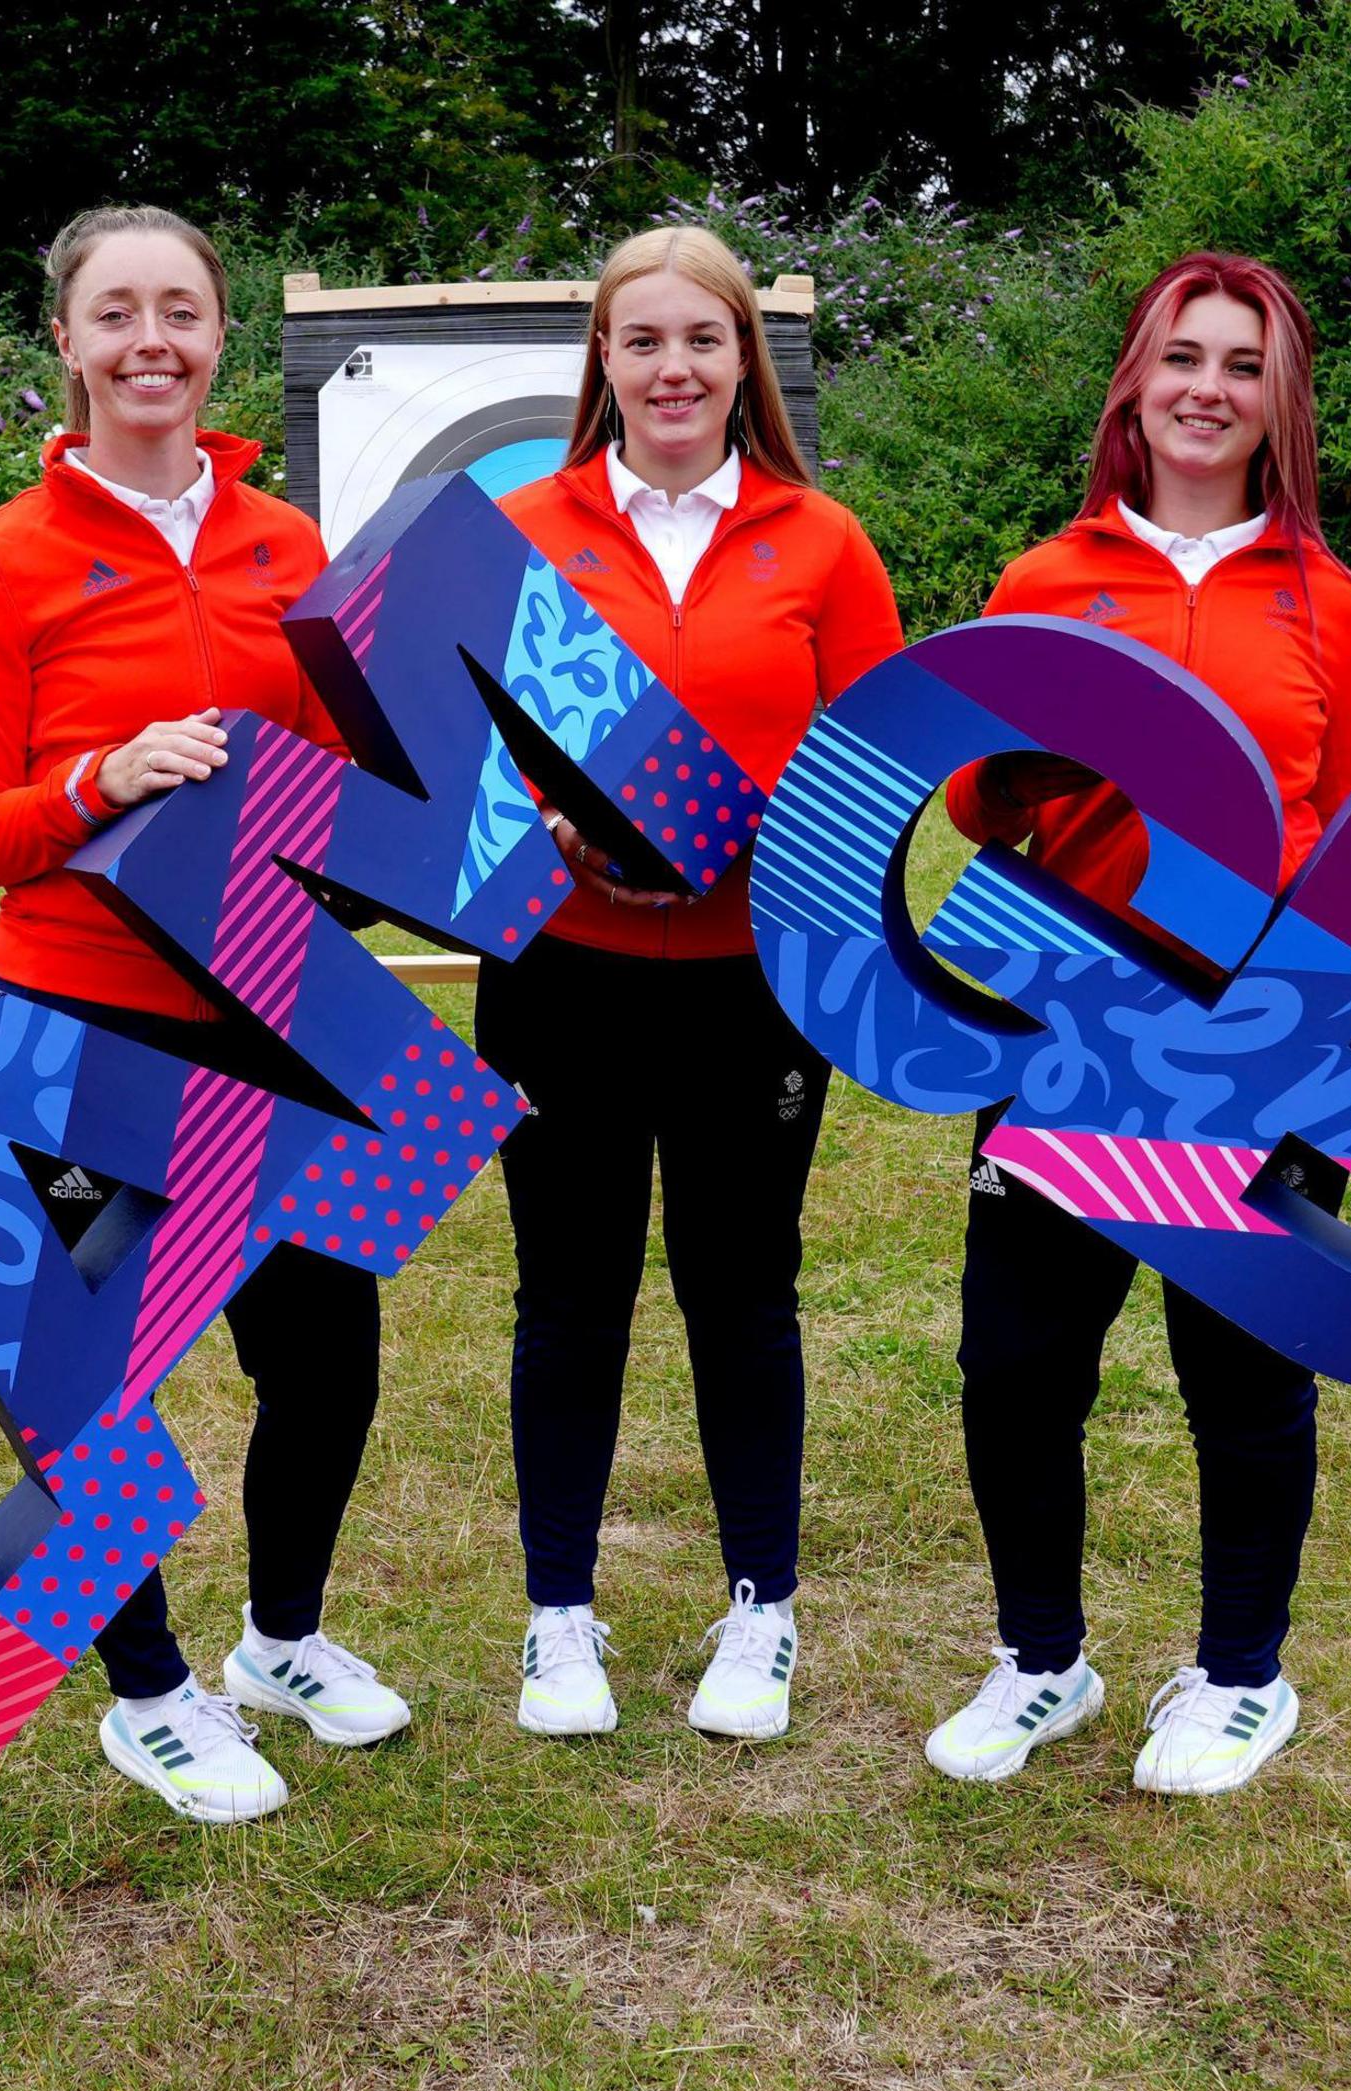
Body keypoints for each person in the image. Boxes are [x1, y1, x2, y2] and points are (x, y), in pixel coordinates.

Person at [0, 205, 406, 1825]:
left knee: (328, 1360)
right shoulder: (0, 564)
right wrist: (96, 781)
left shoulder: (292, 547)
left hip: (278, 1008)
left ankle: (281, 1643)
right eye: (116, 312)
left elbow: (359, 775)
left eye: (181, 311)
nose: (152, 342)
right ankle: (145, 1696)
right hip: (75, 1032)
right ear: (64, 340)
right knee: (92, 1383)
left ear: (219, 339)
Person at [919, 251, 1351, 1796]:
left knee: (1246, 1370)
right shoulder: (1046, 578)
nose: (1207, 386)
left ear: (1280, 404)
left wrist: (1307, 1022)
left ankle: (1242, 1676)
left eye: (1242, 365)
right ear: (1135, 377)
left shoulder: (1327, 602)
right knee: (1017, 1365)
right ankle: (1042, 1662)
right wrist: (1029, 766)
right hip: (1067, 1033)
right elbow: (981, 802)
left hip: (1259, 1043)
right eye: (1181, 355)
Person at [480, 226, 904, 1742]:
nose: (672, 368)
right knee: (570, 1300)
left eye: (702, 341)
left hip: (753, 988)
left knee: (742, 1296)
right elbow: (450, 773)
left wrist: (748, 844)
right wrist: (540, 841)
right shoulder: (519, 529)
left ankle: (761, 1615)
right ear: (601, 360)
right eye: (641, 340)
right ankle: (559, 1620)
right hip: (561, 982)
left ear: (748, 363)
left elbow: (880, 783)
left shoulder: (823, 543)